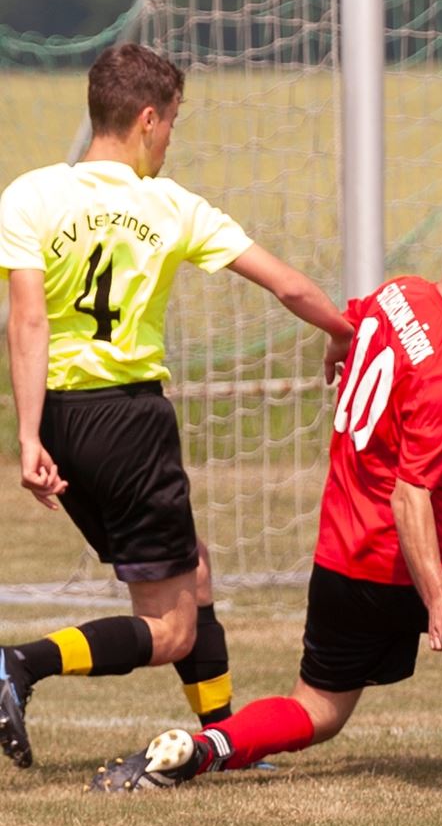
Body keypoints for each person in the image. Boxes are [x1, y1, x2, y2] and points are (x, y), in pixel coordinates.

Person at [86, 204, 442, 792]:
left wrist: (338, 341)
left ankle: (197, 753)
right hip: (427, 561)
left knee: (318, 712)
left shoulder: (398, 295)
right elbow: (411, 497)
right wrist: (438, 599)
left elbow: (352, 325)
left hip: (341, 560)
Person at [0, 43, 354, 769]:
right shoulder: (170, 205)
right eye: (173, 126)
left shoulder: (27, 194)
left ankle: (222, 737)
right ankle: (17, 663)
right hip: (130, 422)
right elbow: (285, 285)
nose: (171, 141)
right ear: (148, 119)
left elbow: (26, 321)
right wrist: (348, 332)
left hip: (65, 419)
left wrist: (29, 435)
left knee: (193, 566)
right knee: (170, 631)